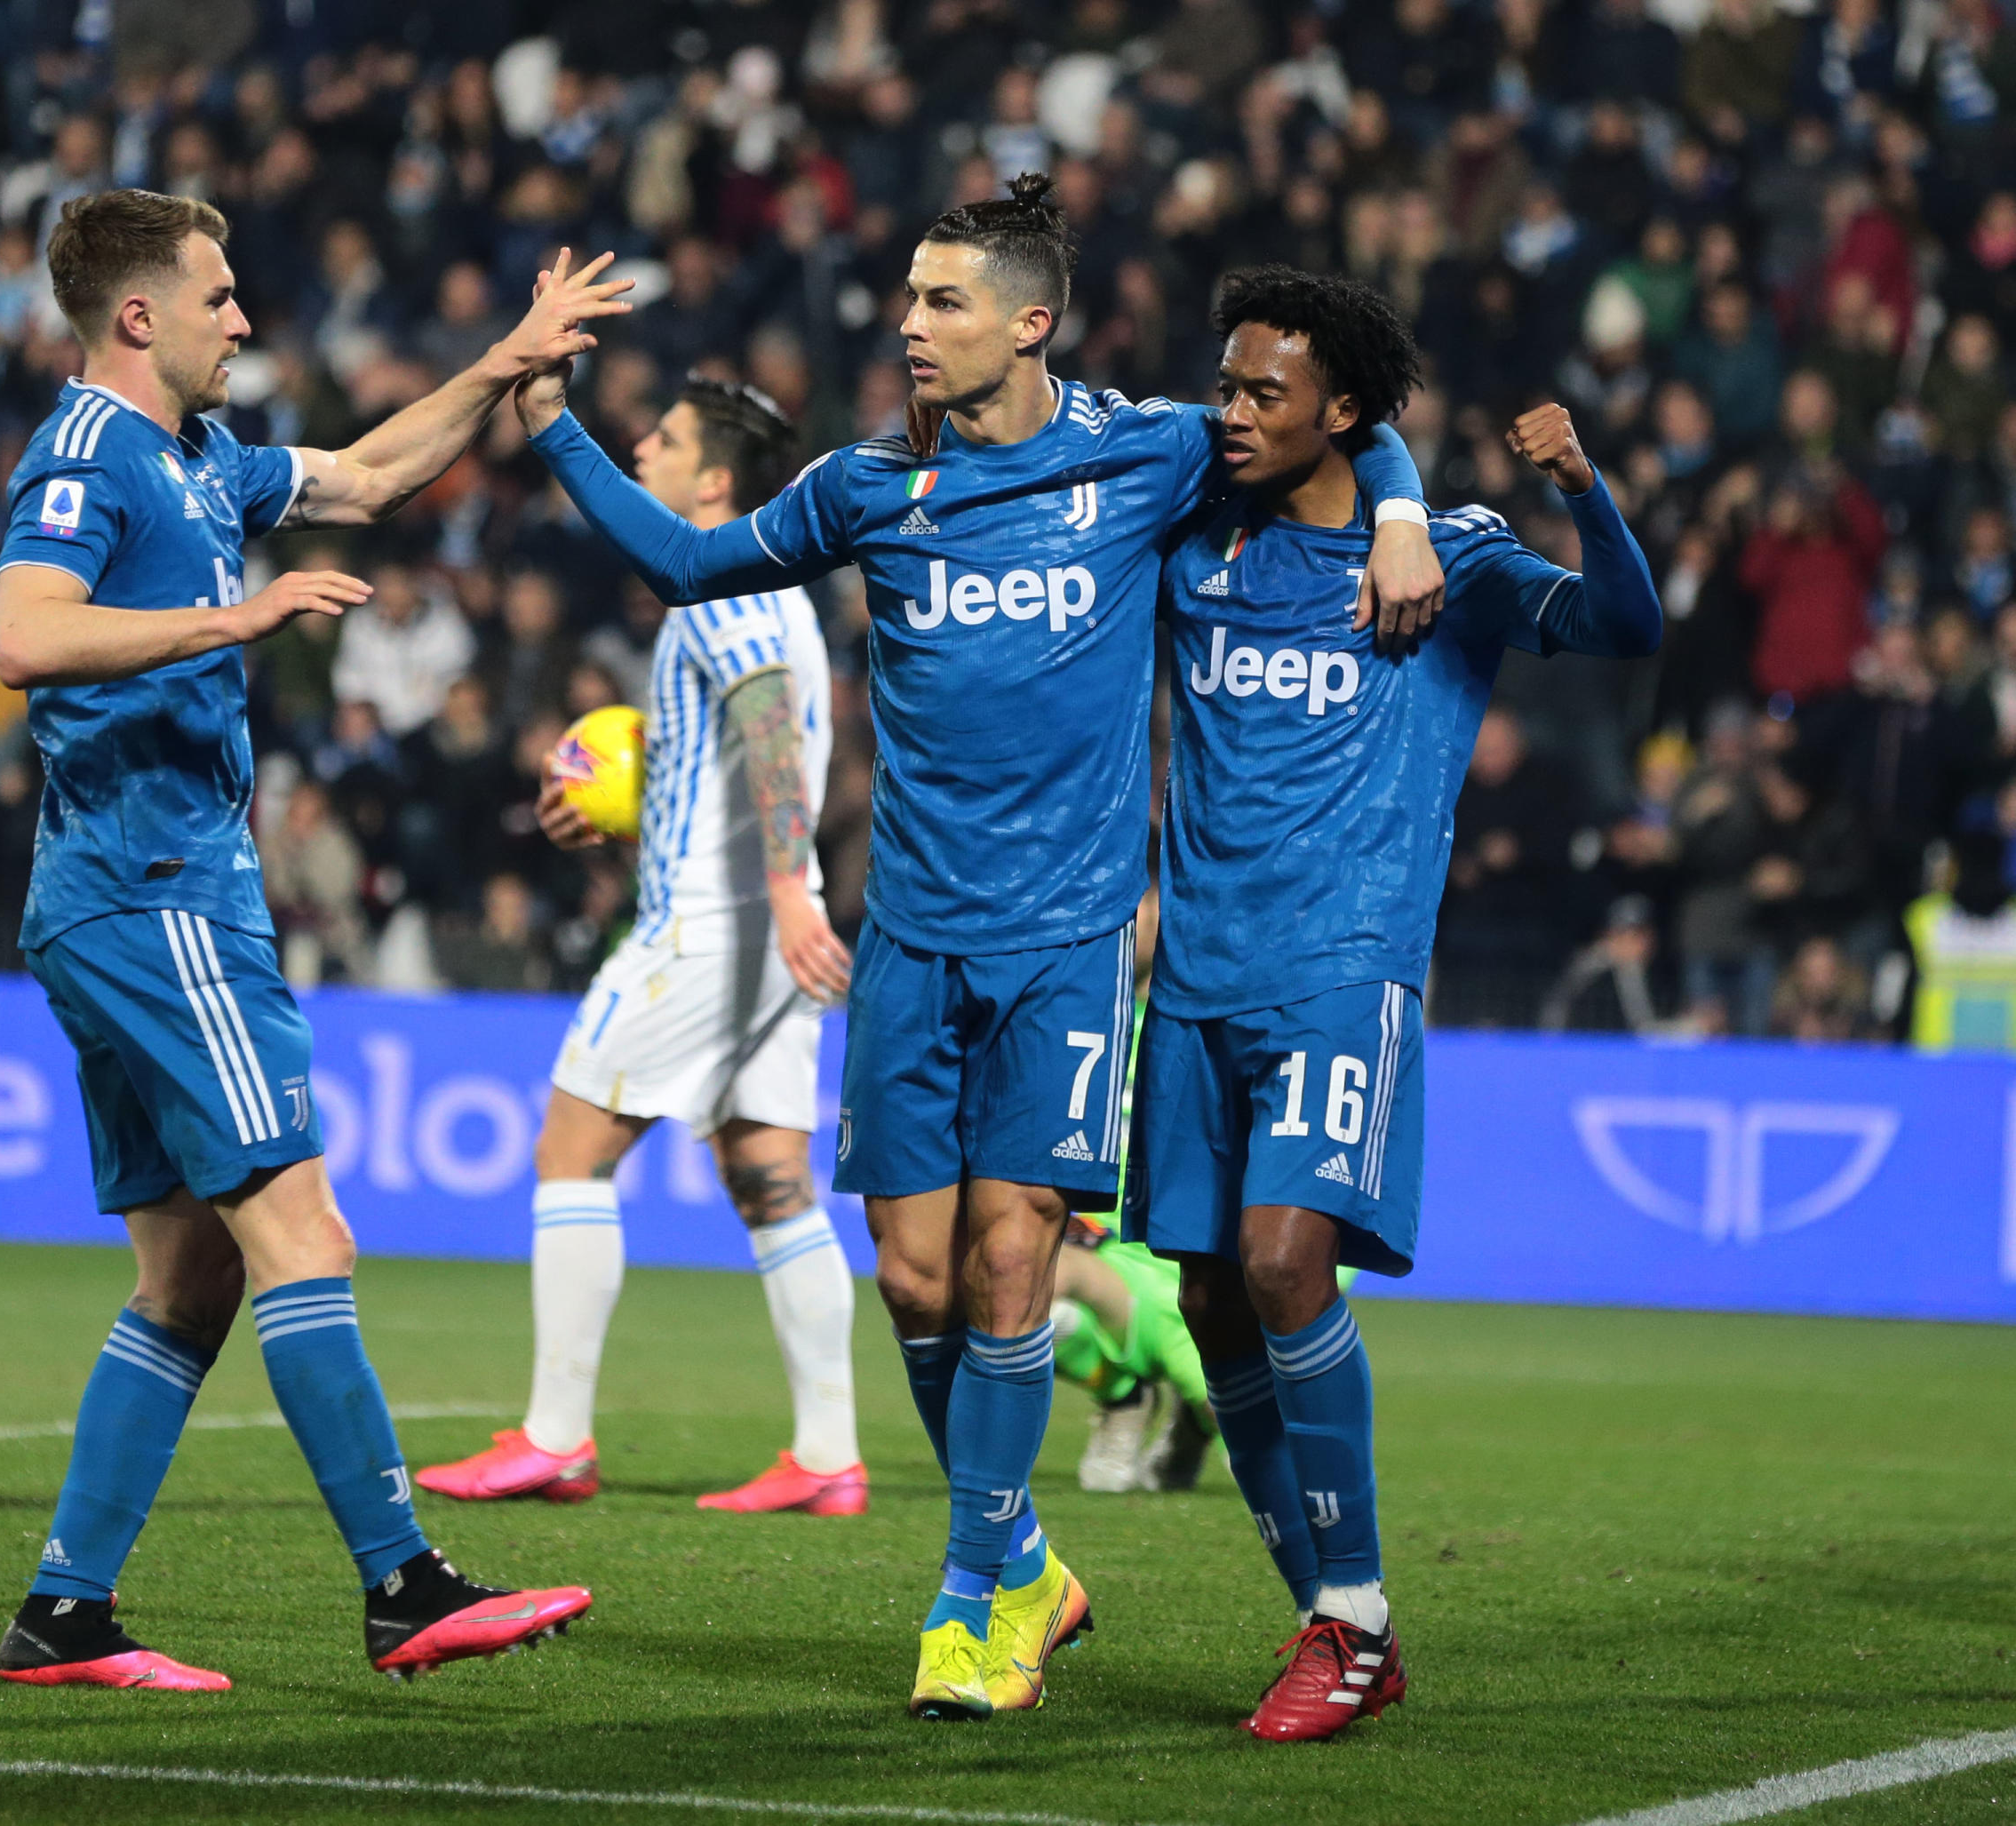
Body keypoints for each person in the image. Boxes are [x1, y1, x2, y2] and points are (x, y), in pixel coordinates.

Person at [512, 173, 1446, 1720]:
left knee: (1018, 1254)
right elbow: (687, 565)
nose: (908, 324)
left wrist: (1405, 510)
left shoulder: (1144, 451)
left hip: (1070, 941)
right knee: (912, 1277)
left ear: (1031, 319)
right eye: (907, 298)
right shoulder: (866, 485)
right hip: (911, 939)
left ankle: (968, 1604)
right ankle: (1022, 1561)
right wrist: (551, 426)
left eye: (941, 301)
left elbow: (1329, 412)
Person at [0, 188, 626, 1693]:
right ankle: (403, 1584)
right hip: (153, 894)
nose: (245, 320)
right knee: (305, 1235)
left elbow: (365, 476)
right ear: (137, 316)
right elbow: (24, 633)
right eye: (218, 297)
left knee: (191, 1276)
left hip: (134, 895)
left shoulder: (200, 455)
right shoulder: (85, 456)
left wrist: (499, 363)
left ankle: (65, 1614)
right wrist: (235, 621)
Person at [1130, 267, 1660, 1742]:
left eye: (1260, 394)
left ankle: (1349, 1615)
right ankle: (1331, 1612)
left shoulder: (1450, 563)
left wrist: (1581, 488)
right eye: (1222, 387)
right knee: (1209, 1296)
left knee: (1286, 1260)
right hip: (1193, 983)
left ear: (1342, 412)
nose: (1229, 413)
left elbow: (1626, 626)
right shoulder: (1192, 536)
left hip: (1338, 965)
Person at [418, 380, 865, 1518]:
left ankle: (556, 1438)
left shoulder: (715, 568)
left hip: (717, 924)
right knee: (769, 1178)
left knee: (571, 1150)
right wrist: (629, 802)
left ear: (713, 482)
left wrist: (775, 883)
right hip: (771, 920)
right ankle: (829, 1455)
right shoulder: (781, 589)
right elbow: (739, 737)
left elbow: (765, 719)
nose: (642, 447)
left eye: (662, 441)